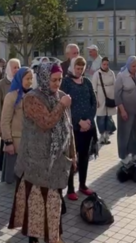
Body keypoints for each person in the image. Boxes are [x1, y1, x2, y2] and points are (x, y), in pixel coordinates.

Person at [8, 62, 75, 243]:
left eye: (60, 79)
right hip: (35, 166)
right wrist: (61, 105)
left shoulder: (60, 96)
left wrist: (73, 155)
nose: (57, 84)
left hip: (55, 165)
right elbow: (46, 122)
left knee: (53, 210)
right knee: (35, 212)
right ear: (44, 78)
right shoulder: (32, 98)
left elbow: (69, 128)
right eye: (53, 80)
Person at [60, 57, 97, 200]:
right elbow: (65, 105)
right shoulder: (66, 82)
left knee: (84, 156)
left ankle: (82, 184)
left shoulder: (87, 82)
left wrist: (88, 120)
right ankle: (70, 188)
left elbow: (93, 102)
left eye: (82, 69)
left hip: (87, 127)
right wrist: (79, 121)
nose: (79, 71)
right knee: (71, 157)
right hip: (73, 127)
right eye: (77, 68)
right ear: (72, 67)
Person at [0, 66, 33, 183]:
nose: (30, 82)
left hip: (31, 142)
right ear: (20, 79)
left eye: (31, 79)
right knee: (15, 179)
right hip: (16, 142)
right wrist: (8, 142)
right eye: (27, 79)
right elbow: (5, 121)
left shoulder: (33, 95)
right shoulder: (12, 96)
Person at [115, 56, 136, 165]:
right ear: (128, 65)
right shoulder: (121, 76)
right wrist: (122, 110)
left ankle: (134, 153)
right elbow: (117, 95)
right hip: (126, 109)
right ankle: (123, 155)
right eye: (133, 66)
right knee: (125, 133)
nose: (135, 68)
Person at [0, 58, 21, 173]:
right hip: (6, 121)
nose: (17, 70)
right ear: (9, 69)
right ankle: (5, 172)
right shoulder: (2, 84)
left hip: (18, 122)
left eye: (18, 67)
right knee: (6, 146)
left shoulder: (21, 82)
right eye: (14, 67)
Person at [92, 56, 117, 145]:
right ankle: (102, 135)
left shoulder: (111, 73)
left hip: (110, 97)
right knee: (101, 117)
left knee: (109, 117)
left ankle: (107, 135)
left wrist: (115, 98)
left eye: (107, 64)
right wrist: (96, 99)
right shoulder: (97, 74)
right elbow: (94, 88)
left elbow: (115, 85)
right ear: (101, 64)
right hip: (100, 97)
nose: (105, 66)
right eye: (104, 64)